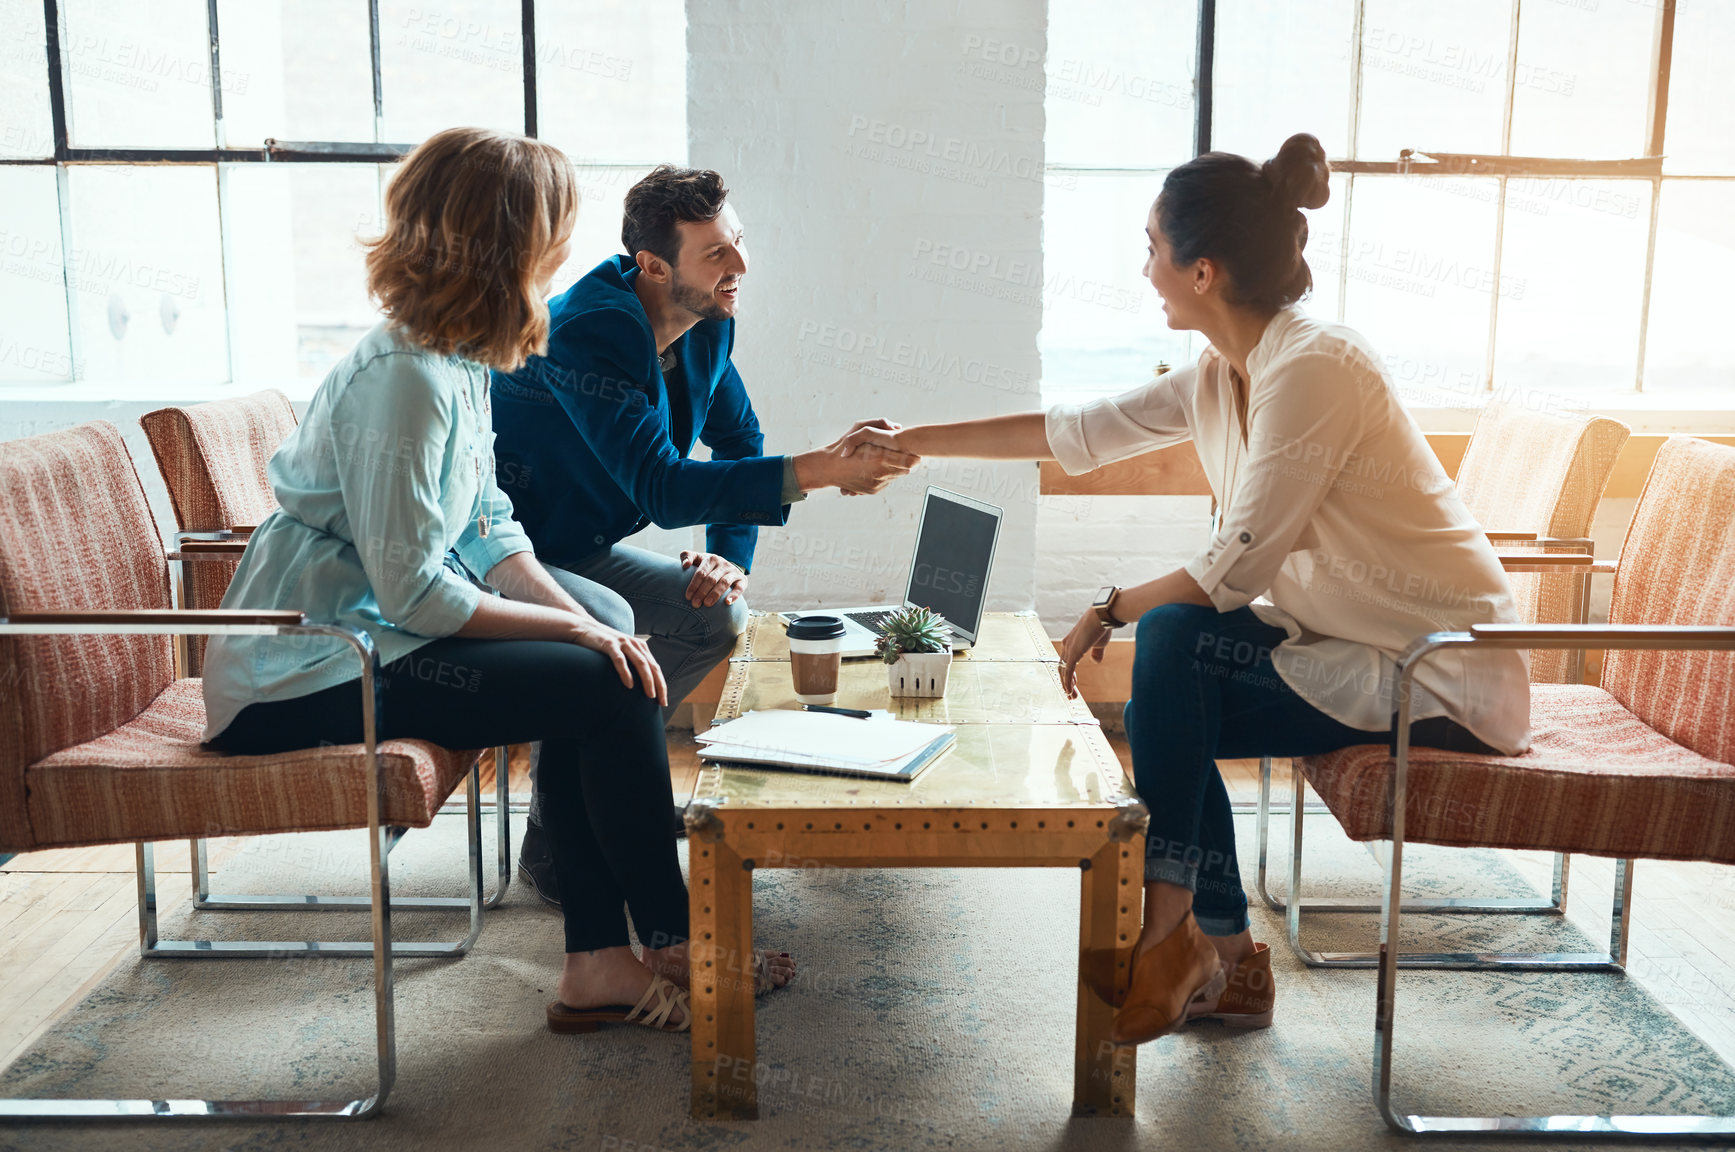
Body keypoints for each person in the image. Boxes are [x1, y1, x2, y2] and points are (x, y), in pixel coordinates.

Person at [838, 133, 1528, 1044]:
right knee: (1173, 678)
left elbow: (1232, 569)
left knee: (1168, 649)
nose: (1144, 267)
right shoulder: (1223, 373)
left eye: (1153, 248)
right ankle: (1210, 950)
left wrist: (1108, 605)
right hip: (1343, 647)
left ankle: (1180, 929)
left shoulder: (1314, 365)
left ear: (1202, 271)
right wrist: (915, 438)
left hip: (1436, 671)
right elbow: (1076, 430)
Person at [201, 127, 793, 1033]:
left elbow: (488, 528)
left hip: (379, 634)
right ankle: (664, 940)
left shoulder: (459, 355)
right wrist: (576, 635)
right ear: (505, 242)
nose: (565, 250)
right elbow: (412, 593)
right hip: (310, 670)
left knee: (613, 651)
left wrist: (591, 623)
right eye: (553, 229)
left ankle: (601, 961)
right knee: (602, 678)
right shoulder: (404, 380)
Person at [491, 164, 917, 905]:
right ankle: (581, 821)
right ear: (652, 266)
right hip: (506, 555)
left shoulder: (704, 326)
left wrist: (725, 557)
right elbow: (658, 485)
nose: (740, 267)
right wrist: (820, 469)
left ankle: (583, 792)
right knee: (609, 639)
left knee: (713, 612)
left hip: (578, 546)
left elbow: (739, 441)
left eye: (739, 243)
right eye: (715, 253)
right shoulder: (590, 330)